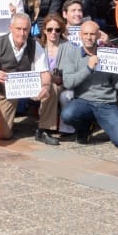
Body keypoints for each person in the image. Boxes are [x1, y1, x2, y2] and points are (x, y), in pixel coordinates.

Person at [56, 19, 118, 148]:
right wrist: (88, 69)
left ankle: (103, 122)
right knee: (67, 115)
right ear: (80, 35)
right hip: (83, 101)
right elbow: (68, 83)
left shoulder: (108, 55)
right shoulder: (72, 54)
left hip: (106, 103)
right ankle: (84, 128)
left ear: (98, 36)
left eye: (92, 34)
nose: (88, 37)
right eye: (86, 34)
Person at [0, 13, 46, 139]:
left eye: (25, 29)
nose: (22, 33)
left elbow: (44, 71)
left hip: (27, 87)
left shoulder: (34, 45)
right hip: (2, 91)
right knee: (3, 134)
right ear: (10, 28)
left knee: (51, 90)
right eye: (18, 29)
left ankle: (46, 129)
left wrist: (47, 86)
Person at [32, 14, 76, 143]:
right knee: (51, 87)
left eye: (57, 30)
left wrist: (51, 77)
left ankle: (44, 130)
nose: (53, 33)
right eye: (50, 29)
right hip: (38, 83)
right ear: (44, 30)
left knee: (53, 88)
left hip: (61, 84)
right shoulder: (37, 46)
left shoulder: (68, 47)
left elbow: (69, 73)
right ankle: (45, 129)